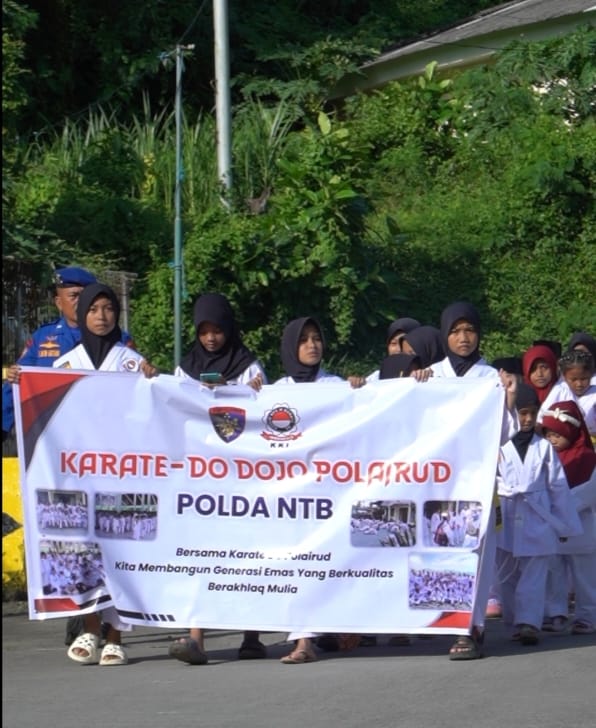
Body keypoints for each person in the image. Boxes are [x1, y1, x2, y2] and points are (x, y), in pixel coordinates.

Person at [48, 282, 157, 665]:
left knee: (122, 552)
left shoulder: (133, 364)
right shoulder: (63, 366)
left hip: (123, 474)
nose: (101, 316)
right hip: (79, 475)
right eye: (93, 309)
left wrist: (153, 381)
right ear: (81, 316)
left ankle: (116, 635)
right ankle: (91, 628)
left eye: (108, 308)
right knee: (83, 550)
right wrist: (19, 380)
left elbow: (151, 414)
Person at [168, 292, 268, 665]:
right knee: (201, 555)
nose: (211, 338)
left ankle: (252, 636)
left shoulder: (248, 367)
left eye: (218, 330)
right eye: (204, 331)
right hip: (201, 476)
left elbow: (262, 412)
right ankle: (196, 637)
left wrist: (245, 393)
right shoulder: (186, 368)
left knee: (248, 555)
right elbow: (174, 410)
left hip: (243, 475)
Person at [427, 301, 519, 660]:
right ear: (444, 335)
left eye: (470, 330)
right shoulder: (431, 376)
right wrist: (412, 386)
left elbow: (503, 435)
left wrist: (509, 397)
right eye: (455, 331)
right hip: (436, 480)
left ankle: (470, 627)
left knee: (476, 552)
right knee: (440, 550)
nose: (463, 338)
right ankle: (447, 620)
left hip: (475, 481)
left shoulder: (490, 378)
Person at [275, 316, 362, 664]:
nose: (312, 345)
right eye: (304, 340)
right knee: (296, 565)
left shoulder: (335, 386)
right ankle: (303, 641)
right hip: (289, 494)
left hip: (328, 492)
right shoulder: (276, 390)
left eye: (317, 339)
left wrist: (358, 391)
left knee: (323, 565)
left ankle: (328, 632)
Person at [2, 267, 135, 441]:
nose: (82, 301)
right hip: (54, 436)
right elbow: (18, 383)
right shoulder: (43, 337)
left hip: (101, 434)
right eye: (74, 296)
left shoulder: (118, 339)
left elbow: (135, 387)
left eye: (86, 295)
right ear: (59, 303)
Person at [495, 384, 582, 645]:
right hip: (506, 513)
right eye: (523, 413)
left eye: (533, 413)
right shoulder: (497, 445)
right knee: (506, 575)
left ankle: (528, 623)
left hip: (537, 515)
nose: (528, 419)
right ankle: (514, 620)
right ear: (511, 412)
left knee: (534, 575)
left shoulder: (543, 446)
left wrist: (564, 524)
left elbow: (558, 486)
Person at [541, 401, 596, 635]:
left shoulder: (589, 459)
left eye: (558, 435)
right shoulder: (545, 459)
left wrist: (559, 507)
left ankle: (587, 616)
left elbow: (590, 492)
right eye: (549, 435)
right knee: (554, 574)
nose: (552, 440)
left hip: (581, 528)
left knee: (585, 576)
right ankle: (556, 613)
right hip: (553, 528)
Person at [538, 349, 596, 448]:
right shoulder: (560, 391)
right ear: (564, 377)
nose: (579, 384)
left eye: (584, 379)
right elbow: (541, 419)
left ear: (591, 375)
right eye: (573, 379)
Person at [366, 317, 421, 382]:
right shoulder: (377, 377)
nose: (399, 350)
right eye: (393, 343)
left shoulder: (428, 377)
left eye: (405, 344)